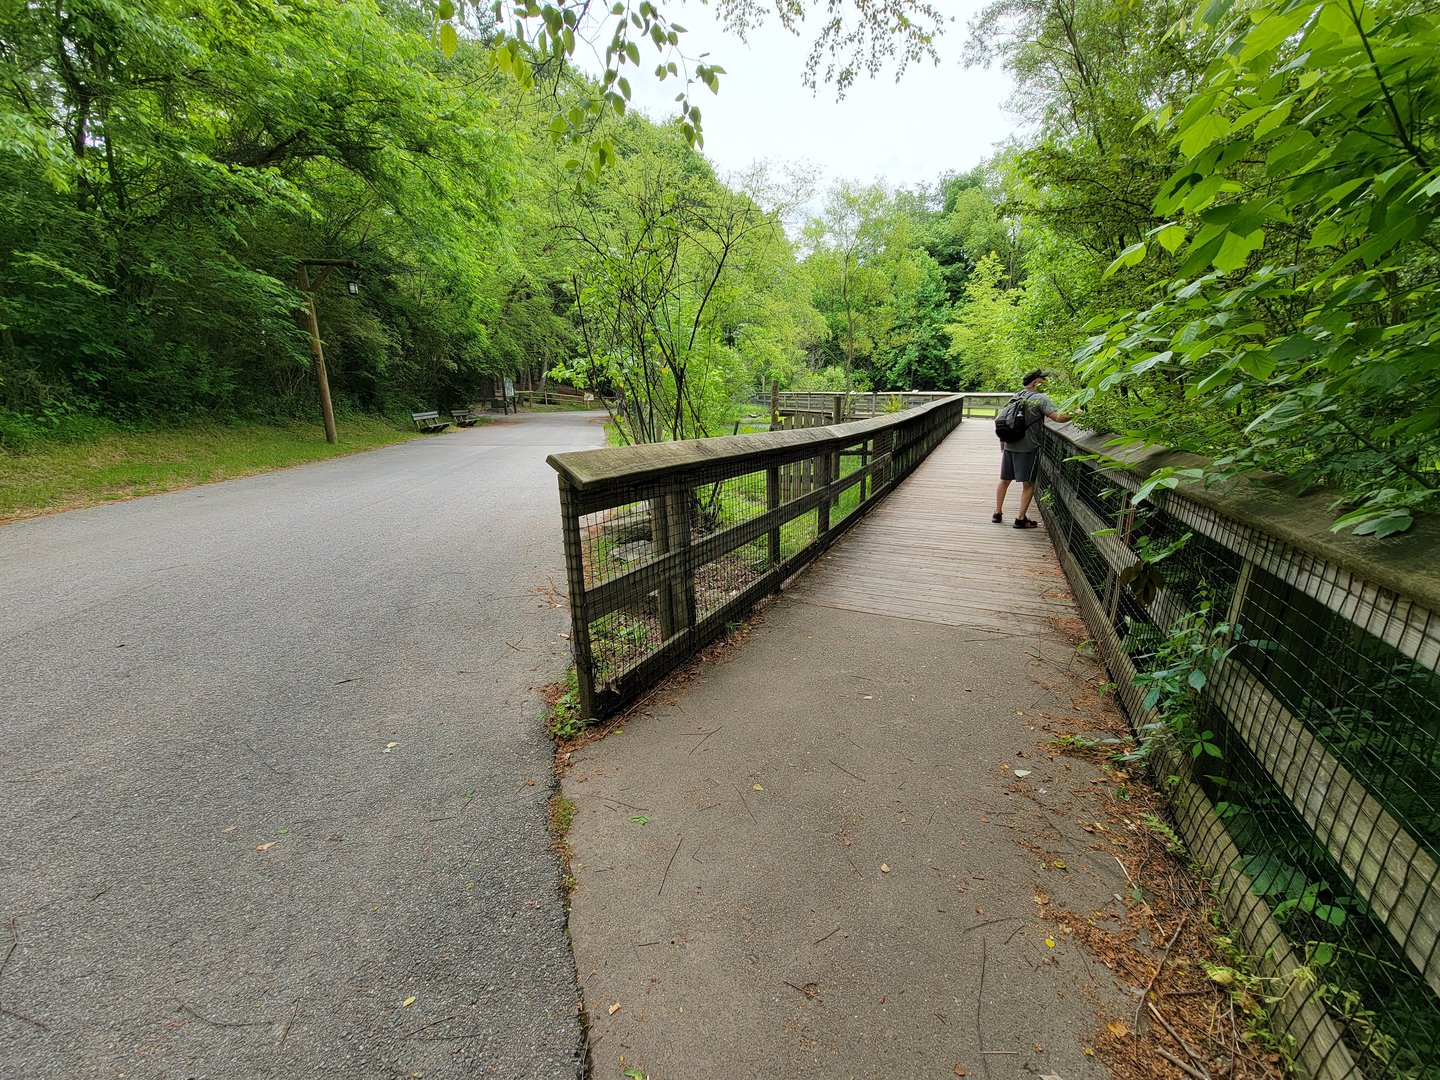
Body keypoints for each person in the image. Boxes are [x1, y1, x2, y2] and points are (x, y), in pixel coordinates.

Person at [994, 369, 1071, 529]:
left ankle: (997, 513)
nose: (1046, 383)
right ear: (1036, 382)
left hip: (1009, 444)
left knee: (1005, 480)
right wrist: (1076, 413)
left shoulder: (1017, 395)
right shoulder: (1040, 398)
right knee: (1028, 483)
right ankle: (1021, 519)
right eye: (1043, 380)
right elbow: (1058, 418)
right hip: (1028, 446)